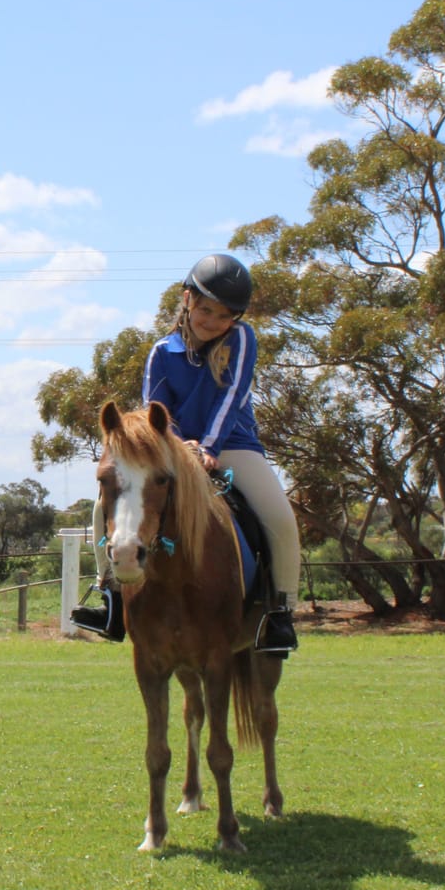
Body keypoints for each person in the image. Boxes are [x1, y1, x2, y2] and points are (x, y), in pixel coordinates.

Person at [71, 254, 303, 655]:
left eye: (224, 315)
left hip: (234, 446)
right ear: (187, 300)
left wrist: (208, 446)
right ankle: (110, 596)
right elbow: (154, 415)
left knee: (281, 518)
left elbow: (232, 397)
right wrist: (182, 448)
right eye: (206, 309)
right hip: (175, 453)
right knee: (100, 508)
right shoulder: (162, 351)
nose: (212, 321)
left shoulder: (241, 339)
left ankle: (281, 612)